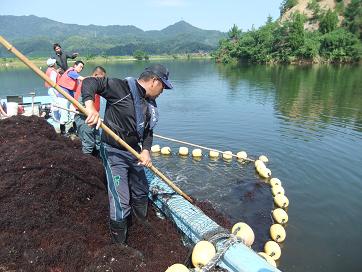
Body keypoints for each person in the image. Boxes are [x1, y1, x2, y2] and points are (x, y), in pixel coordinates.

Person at [82, 64, 173, 254]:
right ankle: (120, 247)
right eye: (163, 86)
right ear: (154, 81)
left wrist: (146, 151)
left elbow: (148, 132)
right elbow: (90, 83)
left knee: (141, 190)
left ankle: (141, 226)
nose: (163, 91)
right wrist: (90, 107)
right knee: (120, 200)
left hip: (134, 152)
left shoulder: (150, 103)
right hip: (113, 152)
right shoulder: (120, 87)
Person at [74, 66, 106, 156]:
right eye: (102, 78)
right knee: (88, 143)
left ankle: (99, 160)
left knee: (98, 140)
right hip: (84, 117)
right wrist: (90, 114)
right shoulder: (86, 84)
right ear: (95, 75)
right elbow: (80, 104)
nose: (103, 81)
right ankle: (86, 163)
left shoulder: (97, 85)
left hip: (94, 117)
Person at [57, 60, 85, 135]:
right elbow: (81, 78)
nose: (81, 69)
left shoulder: (74, 74)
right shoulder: (71, 72)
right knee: (64, 114)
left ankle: (75, 130)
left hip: (70, 95)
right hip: (63, 96)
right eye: (80, 67)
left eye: (82, 68)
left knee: (74, 112)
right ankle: (63, 132)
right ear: (75, 65)